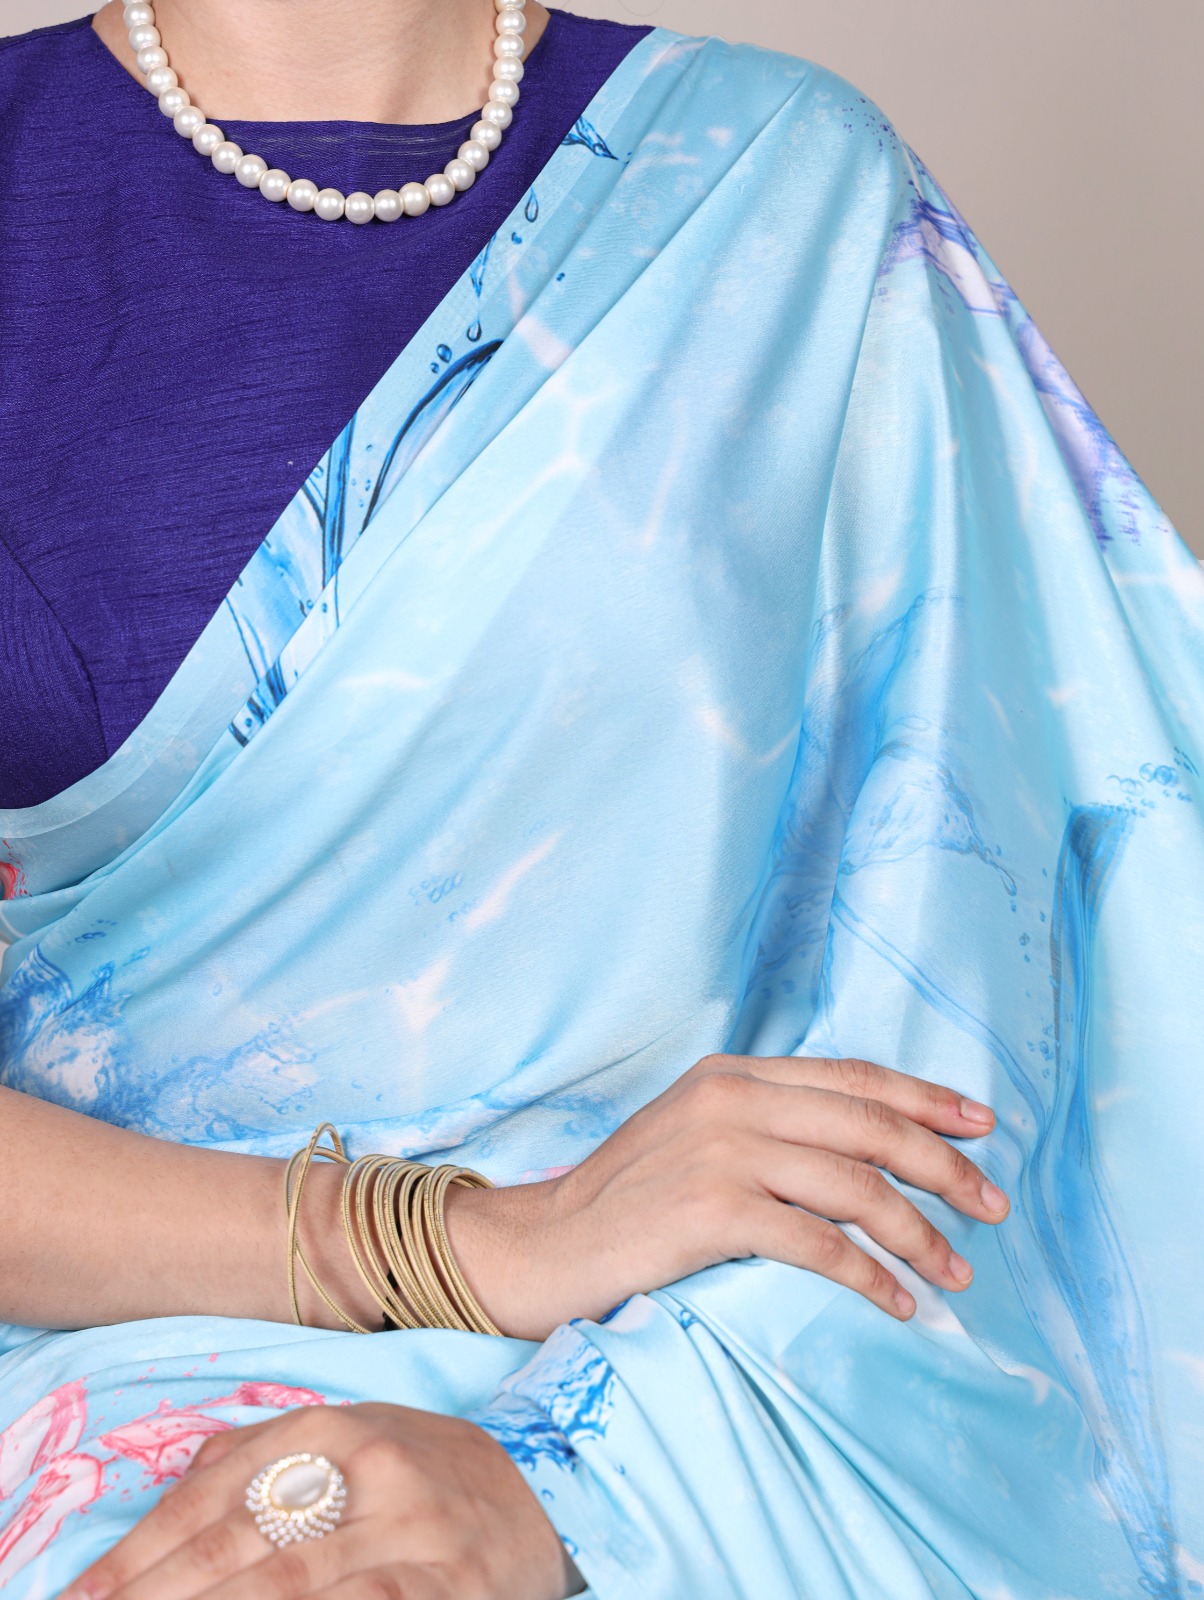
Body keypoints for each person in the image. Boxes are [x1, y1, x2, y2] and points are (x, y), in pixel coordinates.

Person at [0, 0, 1200, 1594]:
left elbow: (999, 1000)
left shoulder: (781, 194)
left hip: (734, 1357)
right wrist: (469, 1241)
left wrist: (584, 1477)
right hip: (115, 1343)